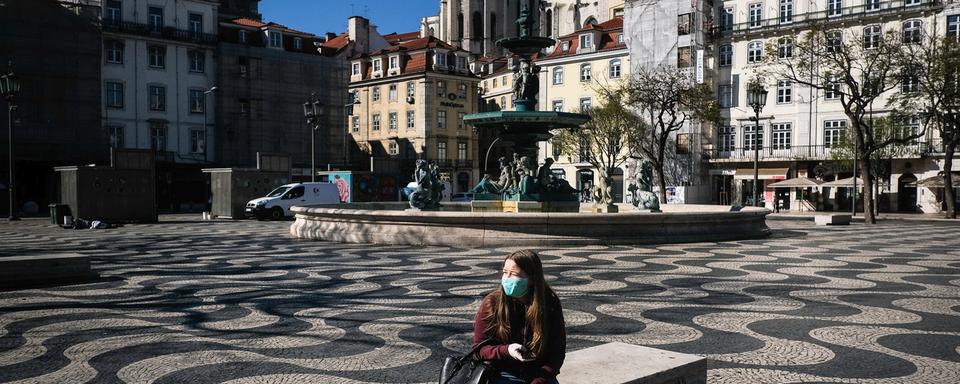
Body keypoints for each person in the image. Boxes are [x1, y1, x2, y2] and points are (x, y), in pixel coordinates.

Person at [473, 250, 566, 384]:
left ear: (532, 279)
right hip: (501, 372)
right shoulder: (492, 303)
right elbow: (479, 350)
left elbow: (557, 352)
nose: (507, 278)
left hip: (538, 374)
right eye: (505, 272)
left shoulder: (549, 303)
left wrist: (540, 379)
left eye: (514, 274)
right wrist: (507, 350)